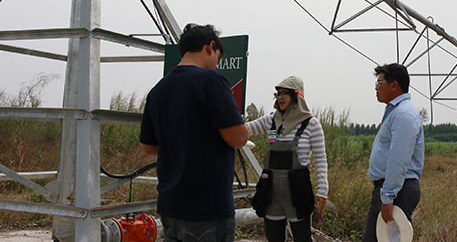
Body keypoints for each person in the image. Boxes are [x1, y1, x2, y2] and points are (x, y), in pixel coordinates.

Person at [139, 23, 249, 242]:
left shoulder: (158, 90)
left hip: (170, 206)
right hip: (206, 208)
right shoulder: (211, 81)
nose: (216, 62)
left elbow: (148, 147)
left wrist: (184, 142)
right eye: (218, 56)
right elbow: (238, 137)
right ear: (210, 47)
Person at [247, 76, 328, 242]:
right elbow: (244, 130)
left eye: (285, 93)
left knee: (302, 237)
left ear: (297, 96)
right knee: (274, 237)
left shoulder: (311, 124)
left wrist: (322, 190)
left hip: (297, 192)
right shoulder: (270, 121)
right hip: (272, 192)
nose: (280, 97)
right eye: (278, 93)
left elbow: (320, 159)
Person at [361, 63, 424, 242]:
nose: (376, 88)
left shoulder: (404, 114)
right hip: (391, 190)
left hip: (397, 191)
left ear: (394, 85)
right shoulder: (395, 111)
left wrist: (388, 197)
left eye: (379, 83)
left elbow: (398, 159)